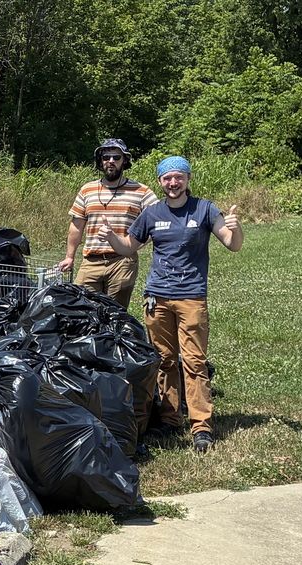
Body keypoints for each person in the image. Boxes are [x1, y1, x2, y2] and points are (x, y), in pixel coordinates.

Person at [97, 156, 242, 454]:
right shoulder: (151, 213)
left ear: (187, 179)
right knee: (163, 360)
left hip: (191, 296)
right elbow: (128, 248)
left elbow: (232, 243)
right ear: (161, 182)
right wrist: (112, 237)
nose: (173, 183)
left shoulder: (204, 209)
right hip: (157, 297)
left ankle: (201, 425)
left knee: (194, 362)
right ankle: (170, 418)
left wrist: (235, 227)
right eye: (167, 178)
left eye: (178, 177)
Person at [54, 139, 156, 310]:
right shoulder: (87, 189)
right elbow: (76, 225)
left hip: (122, 262)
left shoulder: (141, 191)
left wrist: (133, 246)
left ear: (125, 160)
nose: (111, 161)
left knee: (114, 312)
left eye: (116, 157)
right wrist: (70, 257)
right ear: (100, 161)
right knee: (82, 309)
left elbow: (156, 222)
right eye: (106, 157)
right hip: (91, 261)